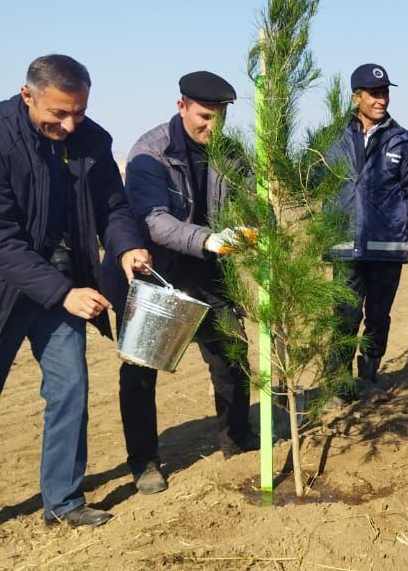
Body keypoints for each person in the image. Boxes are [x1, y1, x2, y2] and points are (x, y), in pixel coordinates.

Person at [0, 55, 151, 568]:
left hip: (62, 287)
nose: (68, 125)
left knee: (70, 393)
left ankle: (63, 503)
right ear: (28, 95)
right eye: (58, 114)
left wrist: (127, 246)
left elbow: (113, 206)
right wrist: (62, 293)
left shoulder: (91, 139)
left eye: (78, 112)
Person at [98, 71, 259, 497]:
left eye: (221, 117)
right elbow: (153, 221)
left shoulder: (231, 153)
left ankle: (234, 436)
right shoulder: (150, 152)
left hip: (209, 271)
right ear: (181, 106)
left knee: (232, 356)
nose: (214, 127)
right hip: (157, 272)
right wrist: (209, 239)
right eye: (205, 116)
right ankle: (145, 461)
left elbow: (251, 199)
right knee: (142, 368)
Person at [324, 63, 408, 398]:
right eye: (373, 93)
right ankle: (338, 384)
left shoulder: (405, 142)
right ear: (356, 97)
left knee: (378, 317)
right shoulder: (330, 138)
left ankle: (368, 378)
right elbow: (308, 182)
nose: (381, 99)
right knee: (344, 316)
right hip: (345, 244)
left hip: (387, 247)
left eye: (384, 93)